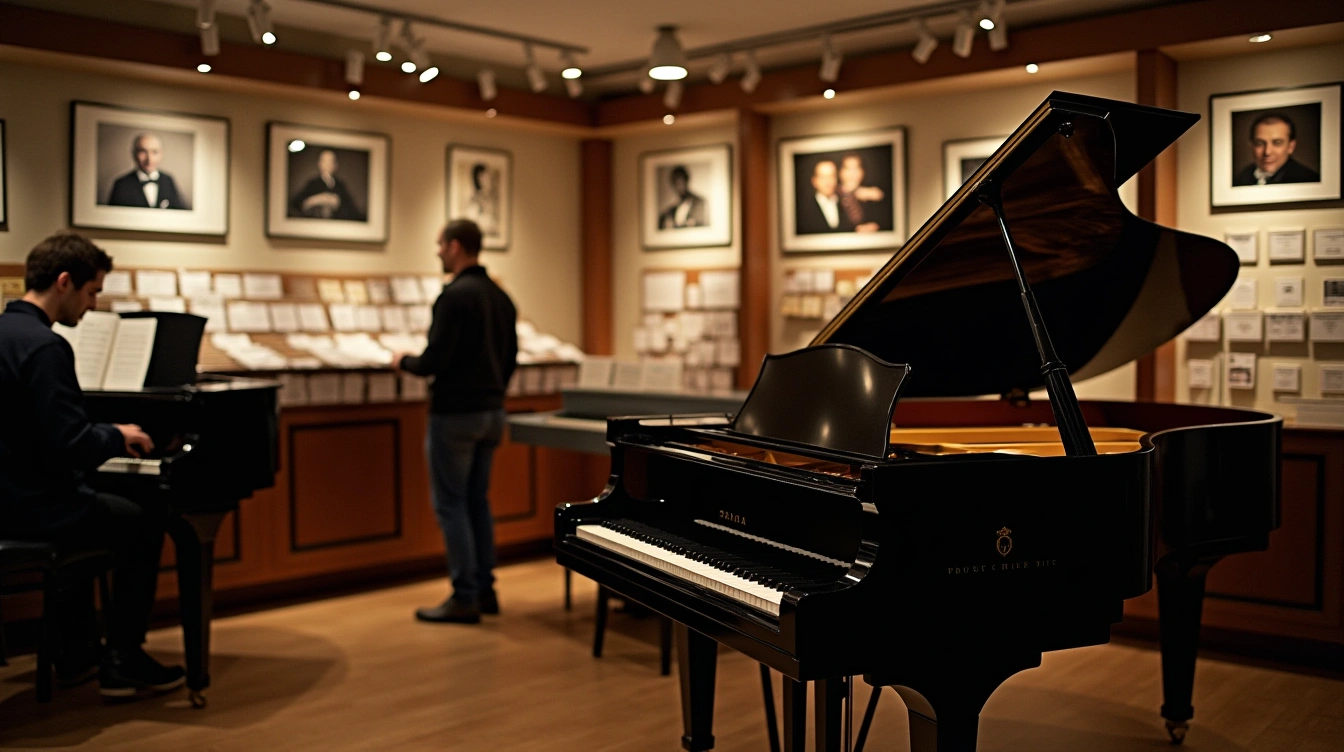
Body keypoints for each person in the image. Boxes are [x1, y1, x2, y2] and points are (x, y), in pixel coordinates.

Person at [0, 231, 185, 697]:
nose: (92, 305)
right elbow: (68, 445)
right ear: (64, 282)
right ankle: (123, 659)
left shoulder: (7, 335)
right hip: (31, 508)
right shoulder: (45, 347)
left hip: (6, 498)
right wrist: (116, 436)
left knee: (91, 505)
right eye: (92, 292)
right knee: (141, 521)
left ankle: (77, 650)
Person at [393, 219, 518, 624]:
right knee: (477, 501)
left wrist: (402, 362)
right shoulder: (501, 298)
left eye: (441, 244)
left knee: (451, 504)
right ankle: (485, 590)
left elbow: (434, 361)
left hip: (455, 415)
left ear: (456, 247)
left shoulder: (453, 298)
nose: (438, 251)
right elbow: (510, 358)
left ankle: (463, 595)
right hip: (492, 412)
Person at [1233, 112, 1321, 186]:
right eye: (1260, 143)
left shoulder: (1307, 179)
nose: (1267, 152)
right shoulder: (1241, 178)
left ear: (1291, 146)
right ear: (1251, 145)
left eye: (1277, 143)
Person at [105, 133, 188, 210]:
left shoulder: (168, 180)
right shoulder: (121, 184)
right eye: (143, 151)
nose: (149, 159)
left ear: (161, 155)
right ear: (134, 154)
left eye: (154, 152)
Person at [288, 148, 365, 221]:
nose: (328, 164)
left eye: (331, 161)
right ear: (319, 163)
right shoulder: (313, 183)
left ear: (335, 165)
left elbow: (353, 211)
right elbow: (296, 203)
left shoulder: (340, 185)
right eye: (325, 161)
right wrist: (317, 199)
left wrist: (337, 202)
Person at [795, 159, 853, 234]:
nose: (828, 181)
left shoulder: (846, 203)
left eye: (832, 176)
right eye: (823, 177)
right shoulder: (803, 210)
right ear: (814, 181)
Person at [837, 153, 886, 233]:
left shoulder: (871, 194)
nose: (852, 173)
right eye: (848, 168)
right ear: (840, 172)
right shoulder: (834, 195)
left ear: (862, 172)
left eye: (856, 168)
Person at [462, 163, 500, 238]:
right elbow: (473, 222)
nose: (489, 181)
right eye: (485, 178)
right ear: (478, 179)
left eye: (489, 178)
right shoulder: (474, 200)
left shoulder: (492, 198)